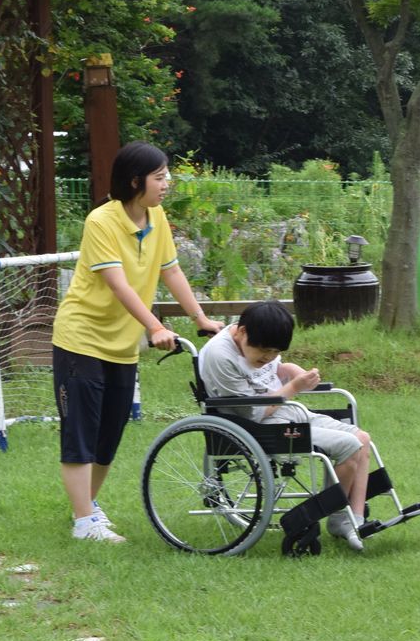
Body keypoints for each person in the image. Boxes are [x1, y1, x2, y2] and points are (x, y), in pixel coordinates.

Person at [53, 141, 223, 543]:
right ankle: (83, 523)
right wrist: (154, 326)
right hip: (82, 339)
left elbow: (172, 271)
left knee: (109, 432)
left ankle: (88, 510)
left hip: (121, 345)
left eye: (166, 176)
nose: (167, 184)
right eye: (160, 177)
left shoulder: (156, 216)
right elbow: (119, 286)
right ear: (135, 182)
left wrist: (199, 318)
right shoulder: (101, 221)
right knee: (80, 431)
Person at [198, 300, 371, 551]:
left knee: (362, 438)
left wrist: (288, 369)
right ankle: (337, 517)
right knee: (349, 446)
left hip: (286, 414)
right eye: (265, 351)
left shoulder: (255, 339)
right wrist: (294, 387)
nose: (268, 357)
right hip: (258, 427)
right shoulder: (221, 355)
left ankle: (354, 518)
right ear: (243, 331)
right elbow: (255, 413)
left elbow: (270, 371)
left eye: (275, 352)